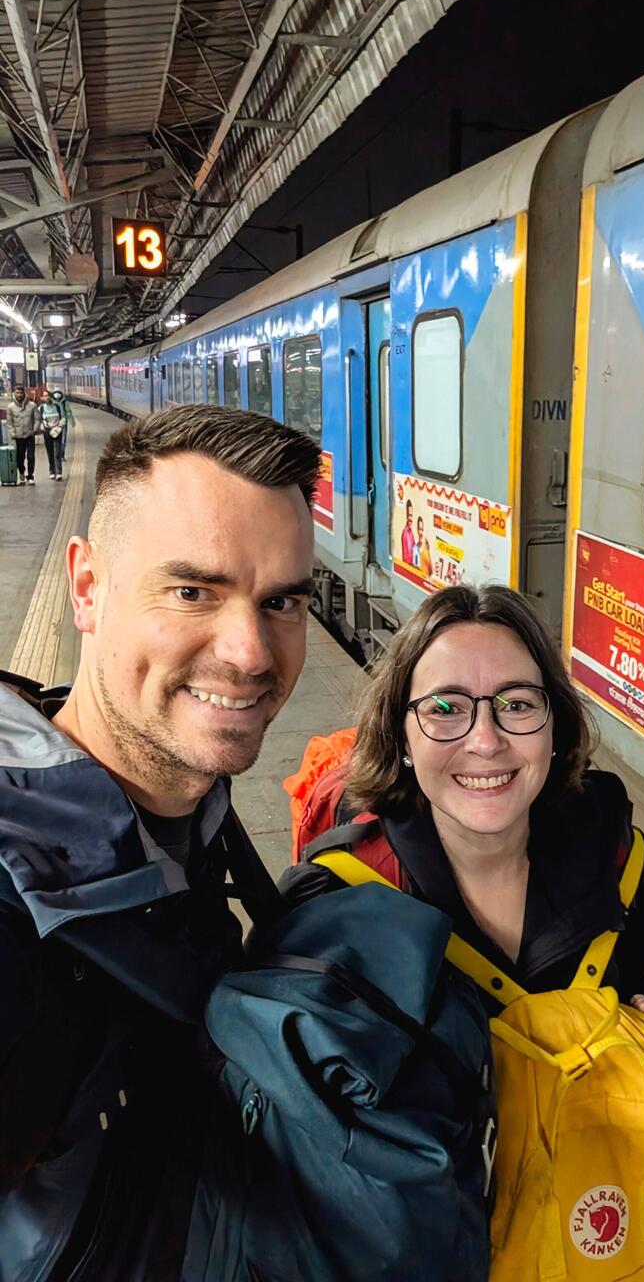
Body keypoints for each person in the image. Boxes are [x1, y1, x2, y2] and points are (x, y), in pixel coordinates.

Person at [0, 404, 320, 1280]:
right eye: (192, 592)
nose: (251, 653)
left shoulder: (190, 815)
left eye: (282, 601)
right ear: (86, 587)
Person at [283, 583, 644, 1109]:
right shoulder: (335, 902)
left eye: (517, 704)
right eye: (445, 708)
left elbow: (640, 972)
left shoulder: (616, 853)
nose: (486, 741)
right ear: (401, 737)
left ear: (554, 726)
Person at [6, 382, 39, 484]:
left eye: (21, 393)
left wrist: (34, 430)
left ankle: (30, 476)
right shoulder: (10, 407)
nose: (19, 395)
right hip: (18, 436)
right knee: (20, 457)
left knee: (31, 456)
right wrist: (12, 433)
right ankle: (21, 472)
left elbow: (37, 419)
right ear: (14, 394)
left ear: (24, 393)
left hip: (30, 435)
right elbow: (9, 422)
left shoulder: (32, 406)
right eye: (17, 393)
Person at [37, 386, 66, 480]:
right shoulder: (41, 408)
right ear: (42, 398)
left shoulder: (57, 406)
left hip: (57, 431)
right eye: (44, 396)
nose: (46, 397)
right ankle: (52, 471)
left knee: (57, 452)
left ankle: (59, 472)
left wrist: (59, 427)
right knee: (50, 452)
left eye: (48, 395)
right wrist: (42, 427)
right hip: (47, 431)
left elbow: (63, 418)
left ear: (51, 396)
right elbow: (38, 420)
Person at [51, 386, 74, 467]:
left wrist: (72, 421)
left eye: (58, 393)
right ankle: (56, 455)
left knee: (63, 440)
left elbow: (68, 412)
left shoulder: (65, 403)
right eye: (55, 393)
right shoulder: (51, 403)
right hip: (54, 424)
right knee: (55, 440)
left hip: (63, 423)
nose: (57, 394)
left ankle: (62, 455)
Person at [416, 514, 433, 579]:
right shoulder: (416, 549)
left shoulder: (426, 550)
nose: (420, 532)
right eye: (419, 529)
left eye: (422, 529)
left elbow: (430, 571)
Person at [401, 498, 416, 566]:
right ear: (406, 515)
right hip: (409, 566)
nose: (411, 518)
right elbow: (407, 557)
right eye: (409, 515)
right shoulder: (405, 533)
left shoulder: (411, 532)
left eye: (411, 515)